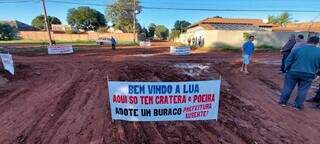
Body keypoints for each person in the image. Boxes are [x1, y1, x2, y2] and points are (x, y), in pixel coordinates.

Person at [279, 36, 320, 110]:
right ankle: (297, 105)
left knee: (288, 87)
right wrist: (317, 75)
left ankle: (283, 102)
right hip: (309, 74)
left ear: (308, 41)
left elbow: (288, 60)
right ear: (317, 42)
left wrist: (286, 69)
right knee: (303, 90)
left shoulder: (297, 49)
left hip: (293, 71)